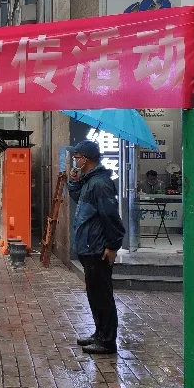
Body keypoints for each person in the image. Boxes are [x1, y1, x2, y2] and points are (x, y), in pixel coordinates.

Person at [67, 140, 125, 354]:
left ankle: (107, 340)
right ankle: (100, 333)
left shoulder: (100, 183)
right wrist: (74, 182)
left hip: (97, 248)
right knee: (94, 294)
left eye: (77, 157)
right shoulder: (89, 181)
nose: (75, 160)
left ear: (86, 159)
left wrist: (112, 245)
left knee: (102, 295)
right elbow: (80, 200)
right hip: (88, 246)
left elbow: (110, 216)